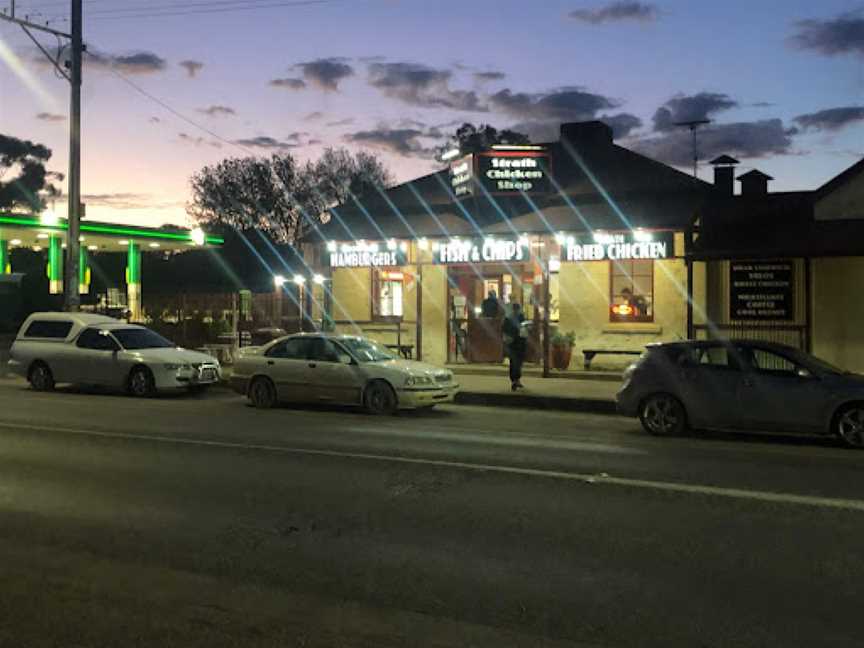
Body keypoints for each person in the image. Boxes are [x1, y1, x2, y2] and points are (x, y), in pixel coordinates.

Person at [502, 302, 527, 391]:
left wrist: (506, 339)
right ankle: (516, 380)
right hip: (519, 342)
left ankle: (515, 380)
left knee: (514, 362)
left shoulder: (508, 318)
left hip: (512, 343)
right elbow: (524, 329)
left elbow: (504, 330)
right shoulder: (521, 317)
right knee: (518, 362)